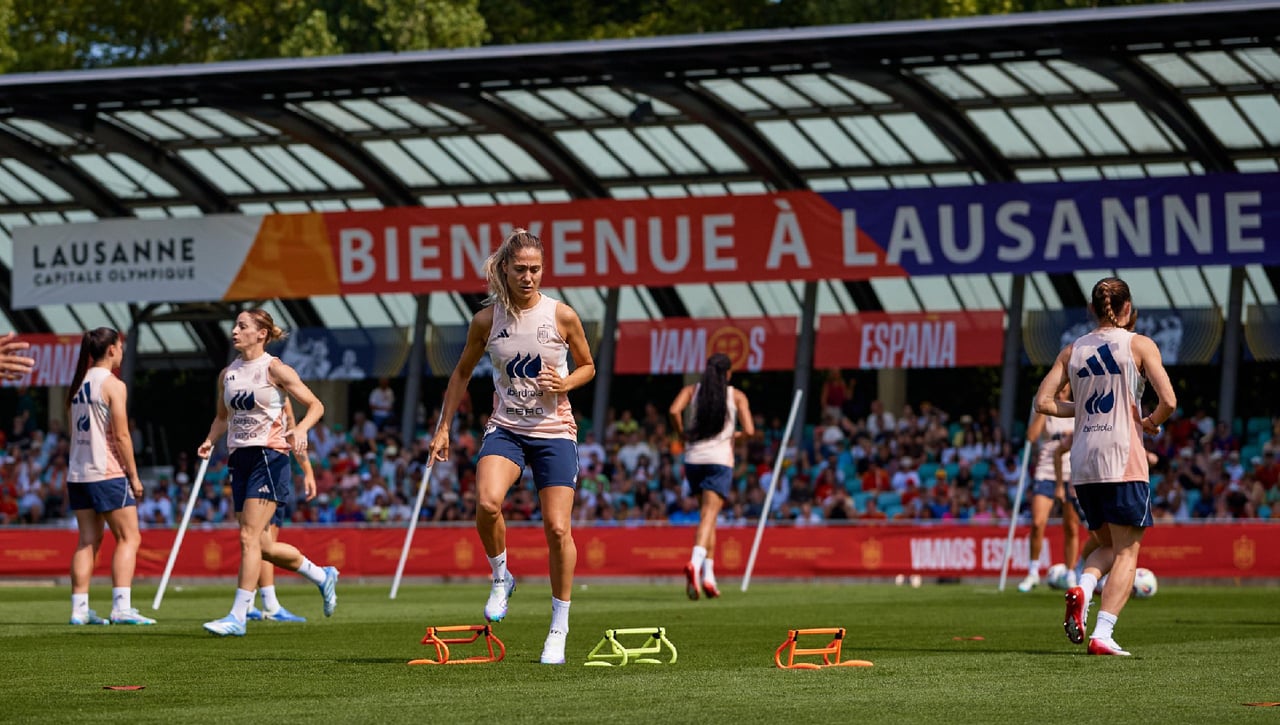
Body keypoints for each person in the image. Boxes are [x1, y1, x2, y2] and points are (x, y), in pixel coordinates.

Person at [428, 228, 595, 665]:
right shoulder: (486, 320)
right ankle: (502, 576)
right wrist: (444, 427)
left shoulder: (562, 316)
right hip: (506, 428)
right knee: (486, 503)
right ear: (504, 268)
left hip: (555, 432)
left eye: (535, 269)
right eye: (520, 269)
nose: (528, 277)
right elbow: (461, 373)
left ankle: (558, 627)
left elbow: (589, 365)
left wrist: (567, 381)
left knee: (558, 529)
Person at [1034, 276, 1175, 656]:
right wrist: (1150, 421)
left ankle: (1082, 586)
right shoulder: (1139, 344)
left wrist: (1078, 407)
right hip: (1122, 457)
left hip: (1084, 462)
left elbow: (1043, 403)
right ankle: (1103, 633)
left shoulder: (1072, 350)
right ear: (1127, 308)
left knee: (1107, 544)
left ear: (1092, 310)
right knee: (1128, 551)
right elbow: (1169, 401)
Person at [197, 309, 338, 637]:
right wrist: (209, 440)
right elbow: (222, 417)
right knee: (261, 544)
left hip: (269, 457)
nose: (234, 331)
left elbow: (316, 405)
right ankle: (321, 575)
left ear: (261, 334)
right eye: (235, 325)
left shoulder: (274, 368)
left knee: (247, 537)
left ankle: (238, 616)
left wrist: (301, 429)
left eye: (242, 326)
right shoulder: (227, 374)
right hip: (239, 459)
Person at [65, 328, 155, 626]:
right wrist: (135, 476)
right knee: (129, 537)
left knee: (87, 540)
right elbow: (122, 435)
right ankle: (121, 606)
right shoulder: (113, 385)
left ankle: (79, 609)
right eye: (121, 346)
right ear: (113, 349)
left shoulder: (78, 383)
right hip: (107, 473)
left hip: (78, 473)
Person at [668, 353, 755, 601]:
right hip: (719, 461)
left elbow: (674, 411)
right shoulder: (736, 395)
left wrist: (682, 434)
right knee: (709, 515)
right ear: (728, 373)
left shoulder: (692, 390)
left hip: (693, 460)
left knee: (709, 518)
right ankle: (695, 563)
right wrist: (733, 436)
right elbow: (749, 430)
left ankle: (709, 576)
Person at [246, 399, 316, 623]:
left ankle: (252, 602)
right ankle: (268, 603)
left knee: (258, 541)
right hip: (269, 468)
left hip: (257, 468)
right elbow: (293, 433)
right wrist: (307, 471)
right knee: (263, 543)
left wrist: (307, 470)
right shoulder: (275, 394)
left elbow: (293, 433)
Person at [1017, 386, 1081, 592]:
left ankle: (1071, 573)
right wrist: (1043, 410)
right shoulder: (1046, 409)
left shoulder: (1077, 409)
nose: (1061, 393)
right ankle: (1033, 571)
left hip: (1071, 472)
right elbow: (1032, 436)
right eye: (1058, 390)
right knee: (1037, 523)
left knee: (1071, 526)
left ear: (1070, 390)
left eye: (1064, 390)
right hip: (1046, 471)